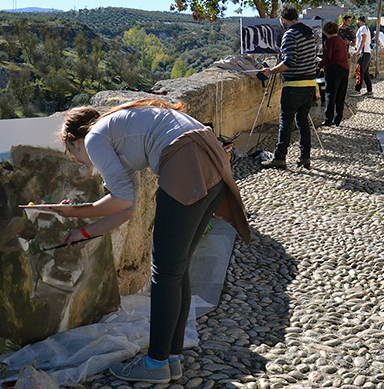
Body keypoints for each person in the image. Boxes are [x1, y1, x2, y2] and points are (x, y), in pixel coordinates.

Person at [55, 99, 250, 384]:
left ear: (74, 140)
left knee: (165, 272)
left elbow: (120, 200)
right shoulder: (118, 134)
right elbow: (128, 208)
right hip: (211, 159)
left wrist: (72, 212)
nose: (80, 162)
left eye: (72, 154)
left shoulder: (96, 137)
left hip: (187, 161)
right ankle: (170, 359)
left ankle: (155, 363)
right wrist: (81, 232)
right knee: (176, 268)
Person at [261, 3, 318, 169]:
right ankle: (305, 157)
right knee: (302, 120)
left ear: (283, 19)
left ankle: (280, 157)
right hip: (309, 83)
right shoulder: (310, 32)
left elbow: (289, 62)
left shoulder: (290, 35)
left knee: (286, 121)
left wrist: (271, 71)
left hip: (294, 85)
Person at [318, 21, 349, 126]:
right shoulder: (341, 41)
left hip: (334, 69)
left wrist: (319, 65)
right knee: (341, 95)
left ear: (326, 31)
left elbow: (327, 57)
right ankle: (338, 119)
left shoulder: (330, 41)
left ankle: (328, 119)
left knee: (330, 95)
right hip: (345, 68)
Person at [351, 16, 373, 97]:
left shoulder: (363, 28)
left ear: (359, 21)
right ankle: (369, 90)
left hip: (364, 52)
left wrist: (358, 51)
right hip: (366, 52)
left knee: (359, 71)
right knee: (365, 72)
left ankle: (357, 90)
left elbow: (363, 39)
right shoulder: (365, 28)